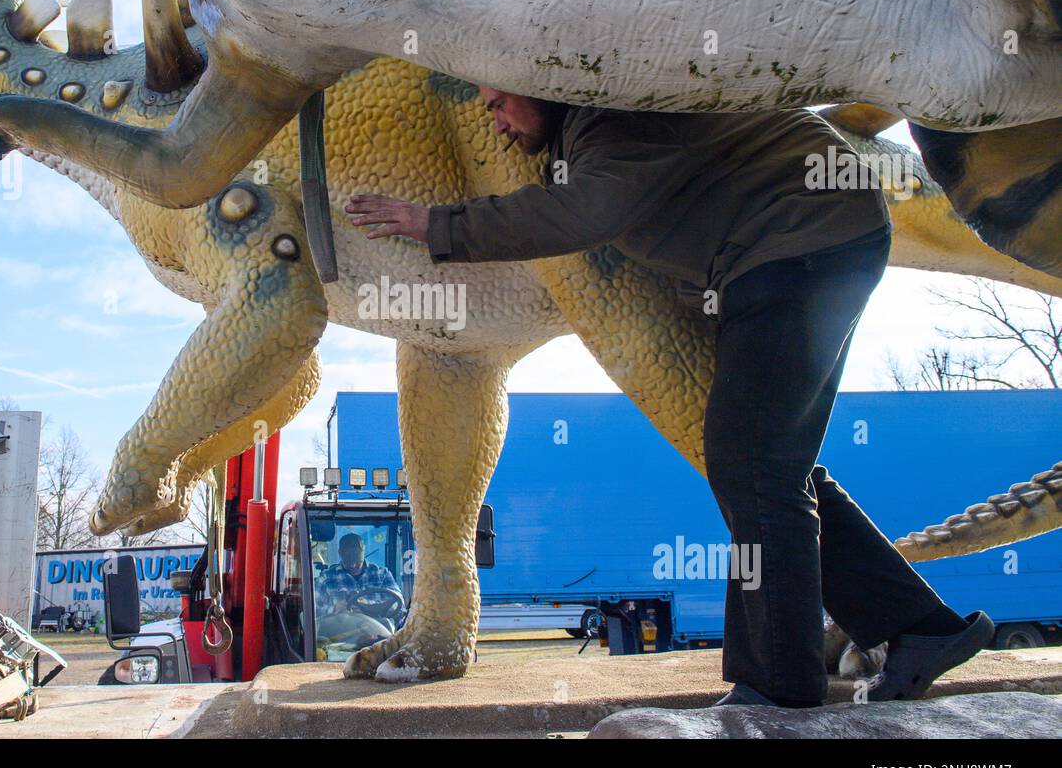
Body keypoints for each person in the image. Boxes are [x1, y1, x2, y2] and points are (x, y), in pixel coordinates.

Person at [344, 89, 994, 707]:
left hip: (798, 242)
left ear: (537, 83)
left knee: (755, 466)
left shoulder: (608, 117)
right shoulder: (584, 129)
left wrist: (434, 224)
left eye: (500, 102)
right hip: (798, 246)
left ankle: (776, 687)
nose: (495, 120)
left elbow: (582, 213)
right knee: (766, 467)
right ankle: (917, 628)